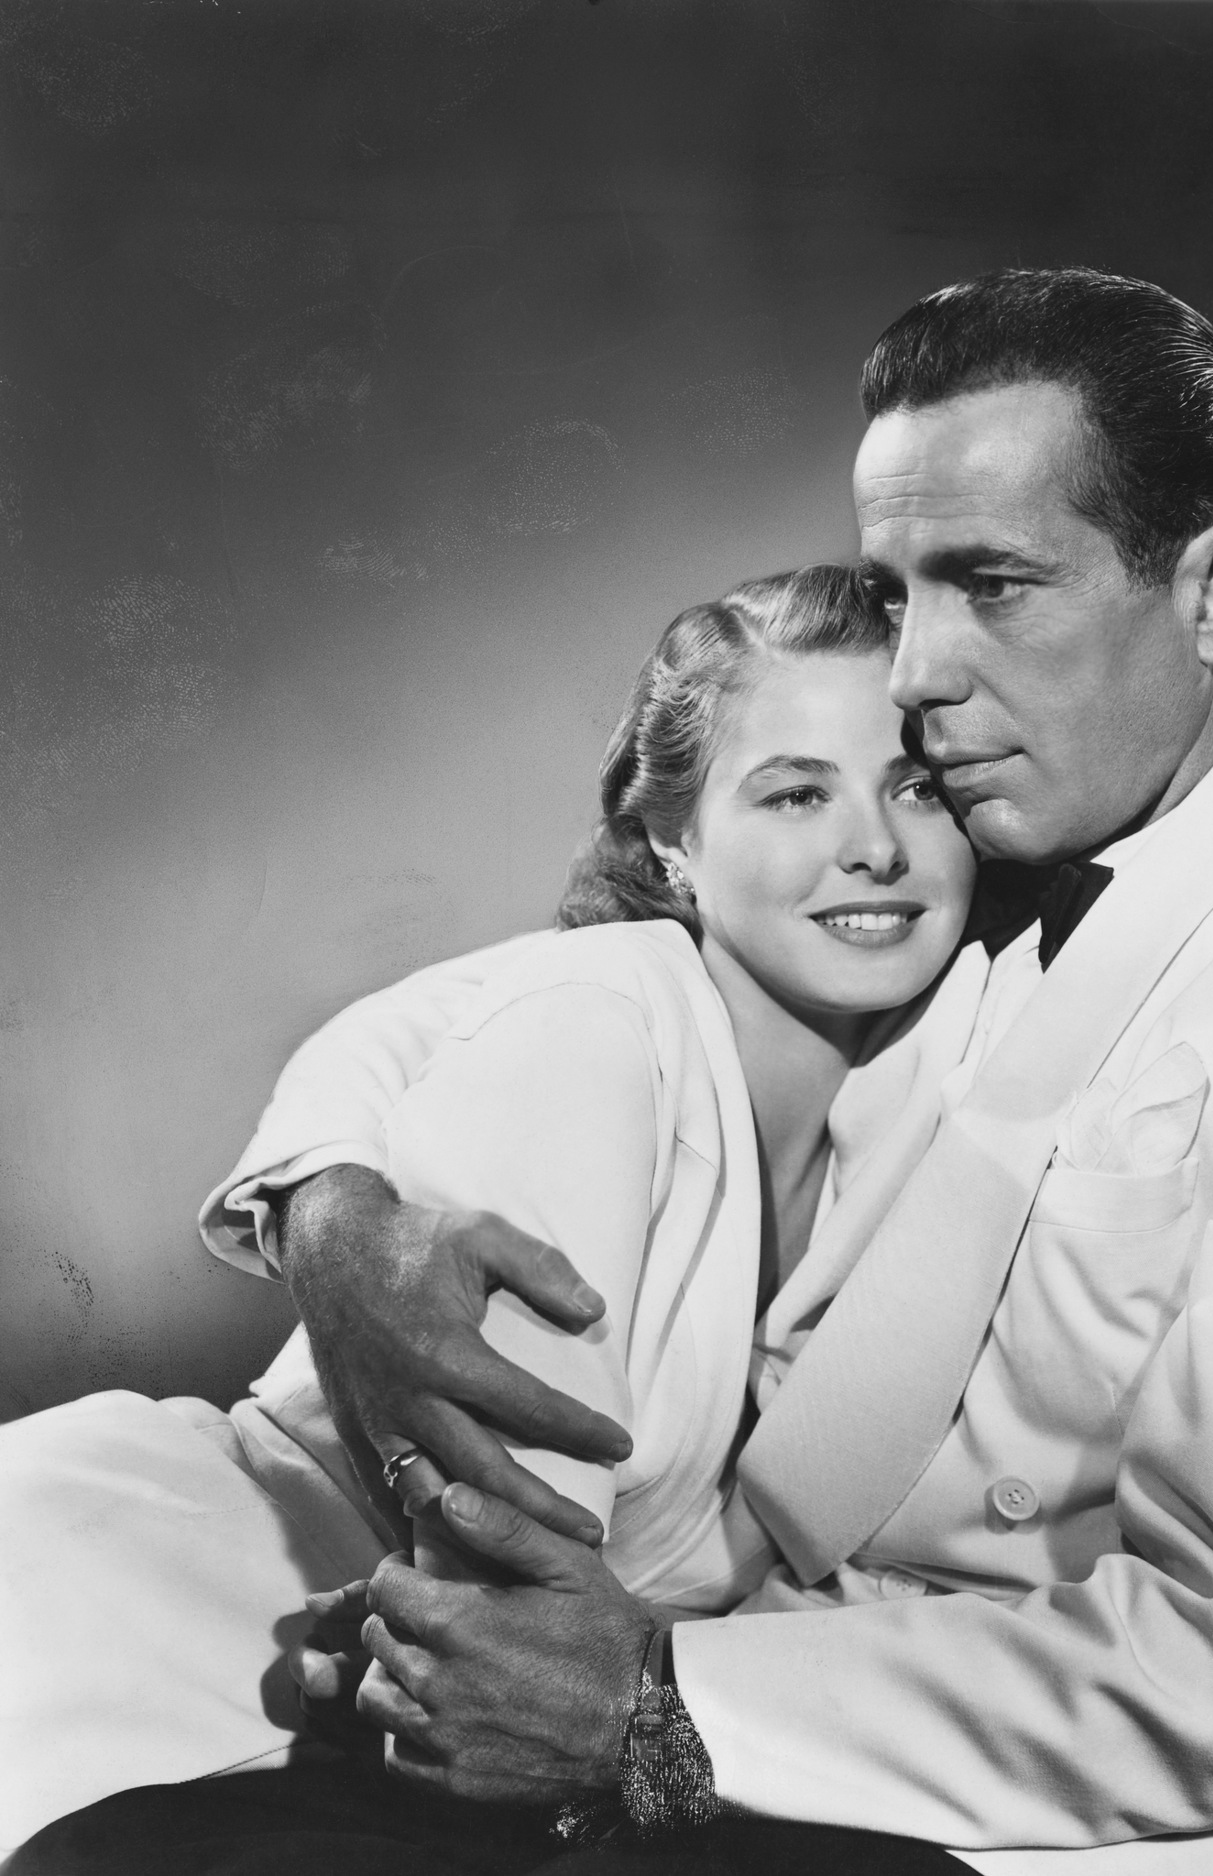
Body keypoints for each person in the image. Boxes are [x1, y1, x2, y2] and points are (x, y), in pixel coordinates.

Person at [18, 267, 1213, 1876]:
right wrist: (330, 1206)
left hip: (1012, 1801)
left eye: (993, 584)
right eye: (901, 590)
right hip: (646, 1680)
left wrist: (651, 1708)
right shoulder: (963, 847)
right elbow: (513, 1001)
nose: (916, 676)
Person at [0, 566, 987, 1857]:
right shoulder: (595, 1027)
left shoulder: (929, 1105)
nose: (877, 846)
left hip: (394, 1715)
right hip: (147, 1614)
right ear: (674, 843)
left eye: (917, 787)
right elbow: (505, 1597)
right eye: (796, 792)